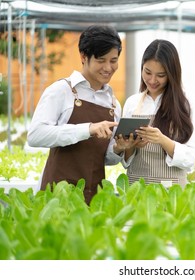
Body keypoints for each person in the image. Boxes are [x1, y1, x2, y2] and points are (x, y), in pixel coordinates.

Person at [27, 25, 125, 204]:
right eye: (101, 60)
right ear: (83, 56)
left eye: (113, 60)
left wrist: (119, 148)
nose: (108, 67)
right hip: (57, 196)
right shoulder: (61, 91)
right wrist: (87, 129)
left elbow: (106, 159)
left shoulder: (113, 104)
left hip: (94, 197)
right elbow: (35, 135)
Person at [115, 39, 195, 187]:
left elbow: (190, 158)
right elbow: (126, 162)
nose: (152, 80)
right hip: (137, 187)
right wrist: (130, 145)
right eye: (147, 72)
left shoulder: (187, 103)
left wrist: (162, 139)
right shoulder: (132, 103)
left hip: (171, 190)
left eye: (161, 75)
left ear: (172, 74)